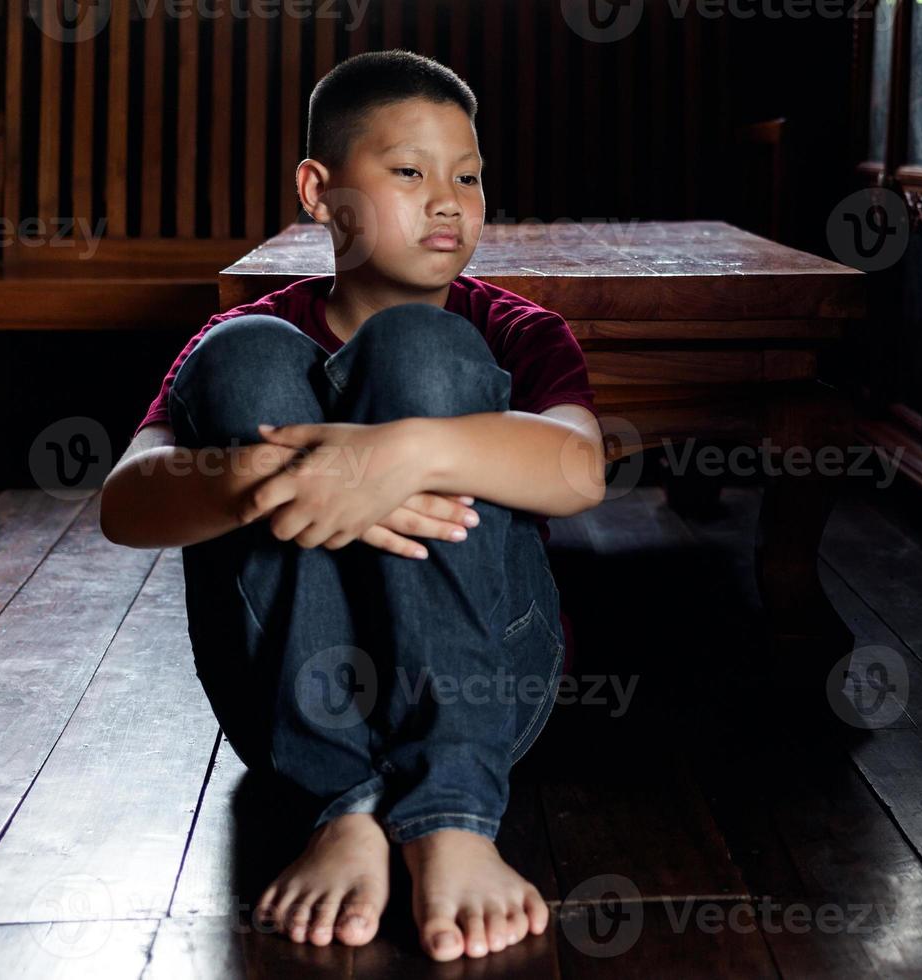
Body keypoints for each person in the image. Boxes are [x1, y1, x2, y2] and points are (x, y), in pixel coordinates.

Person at [101, 49, 605, 963]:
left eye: (469, 176)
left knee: (422, 348)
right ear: (318, 191)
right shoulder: (240, 335)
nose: (448, 200)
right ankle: (350, 804)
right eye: (410, 172)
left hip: (487, 680)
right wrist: (289, 477)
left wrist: (398, 455)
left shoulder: (517, 330)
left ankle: (452, 809)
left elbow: (578, 471)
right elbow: (126, 503)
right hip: (288, 698)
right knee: (245, 356)